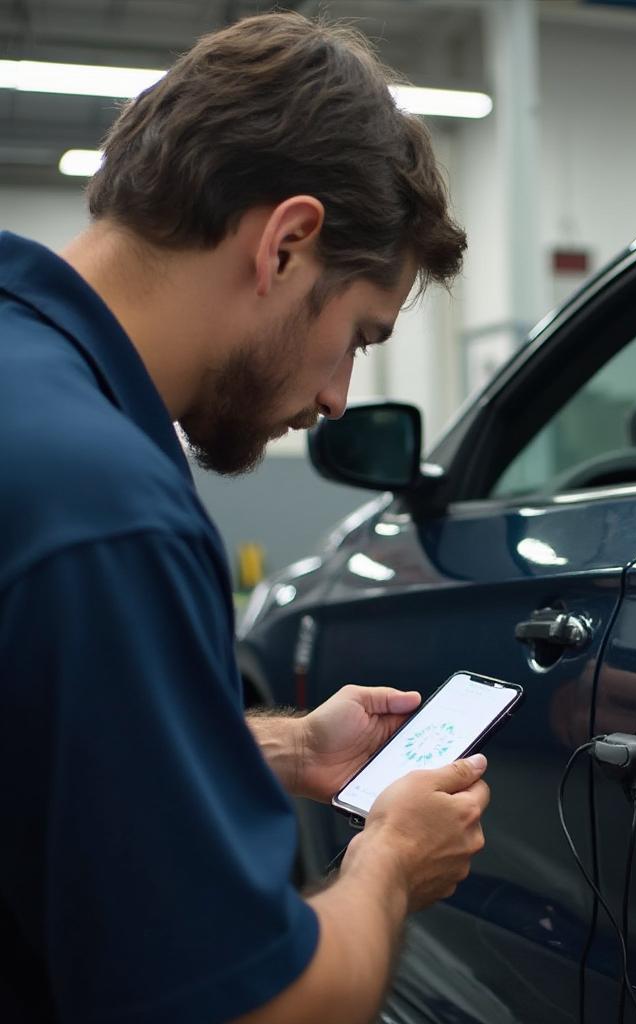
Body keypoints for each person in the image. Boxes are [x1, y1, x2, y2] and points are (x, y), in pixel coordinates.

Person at [0, 11, 489, 1024]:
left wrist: (289, 750)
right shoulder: (105, 510)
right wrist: (391, 862)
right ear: (288, 242)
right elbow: (259, 1008)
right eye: (357, 334)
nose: (337, 399)